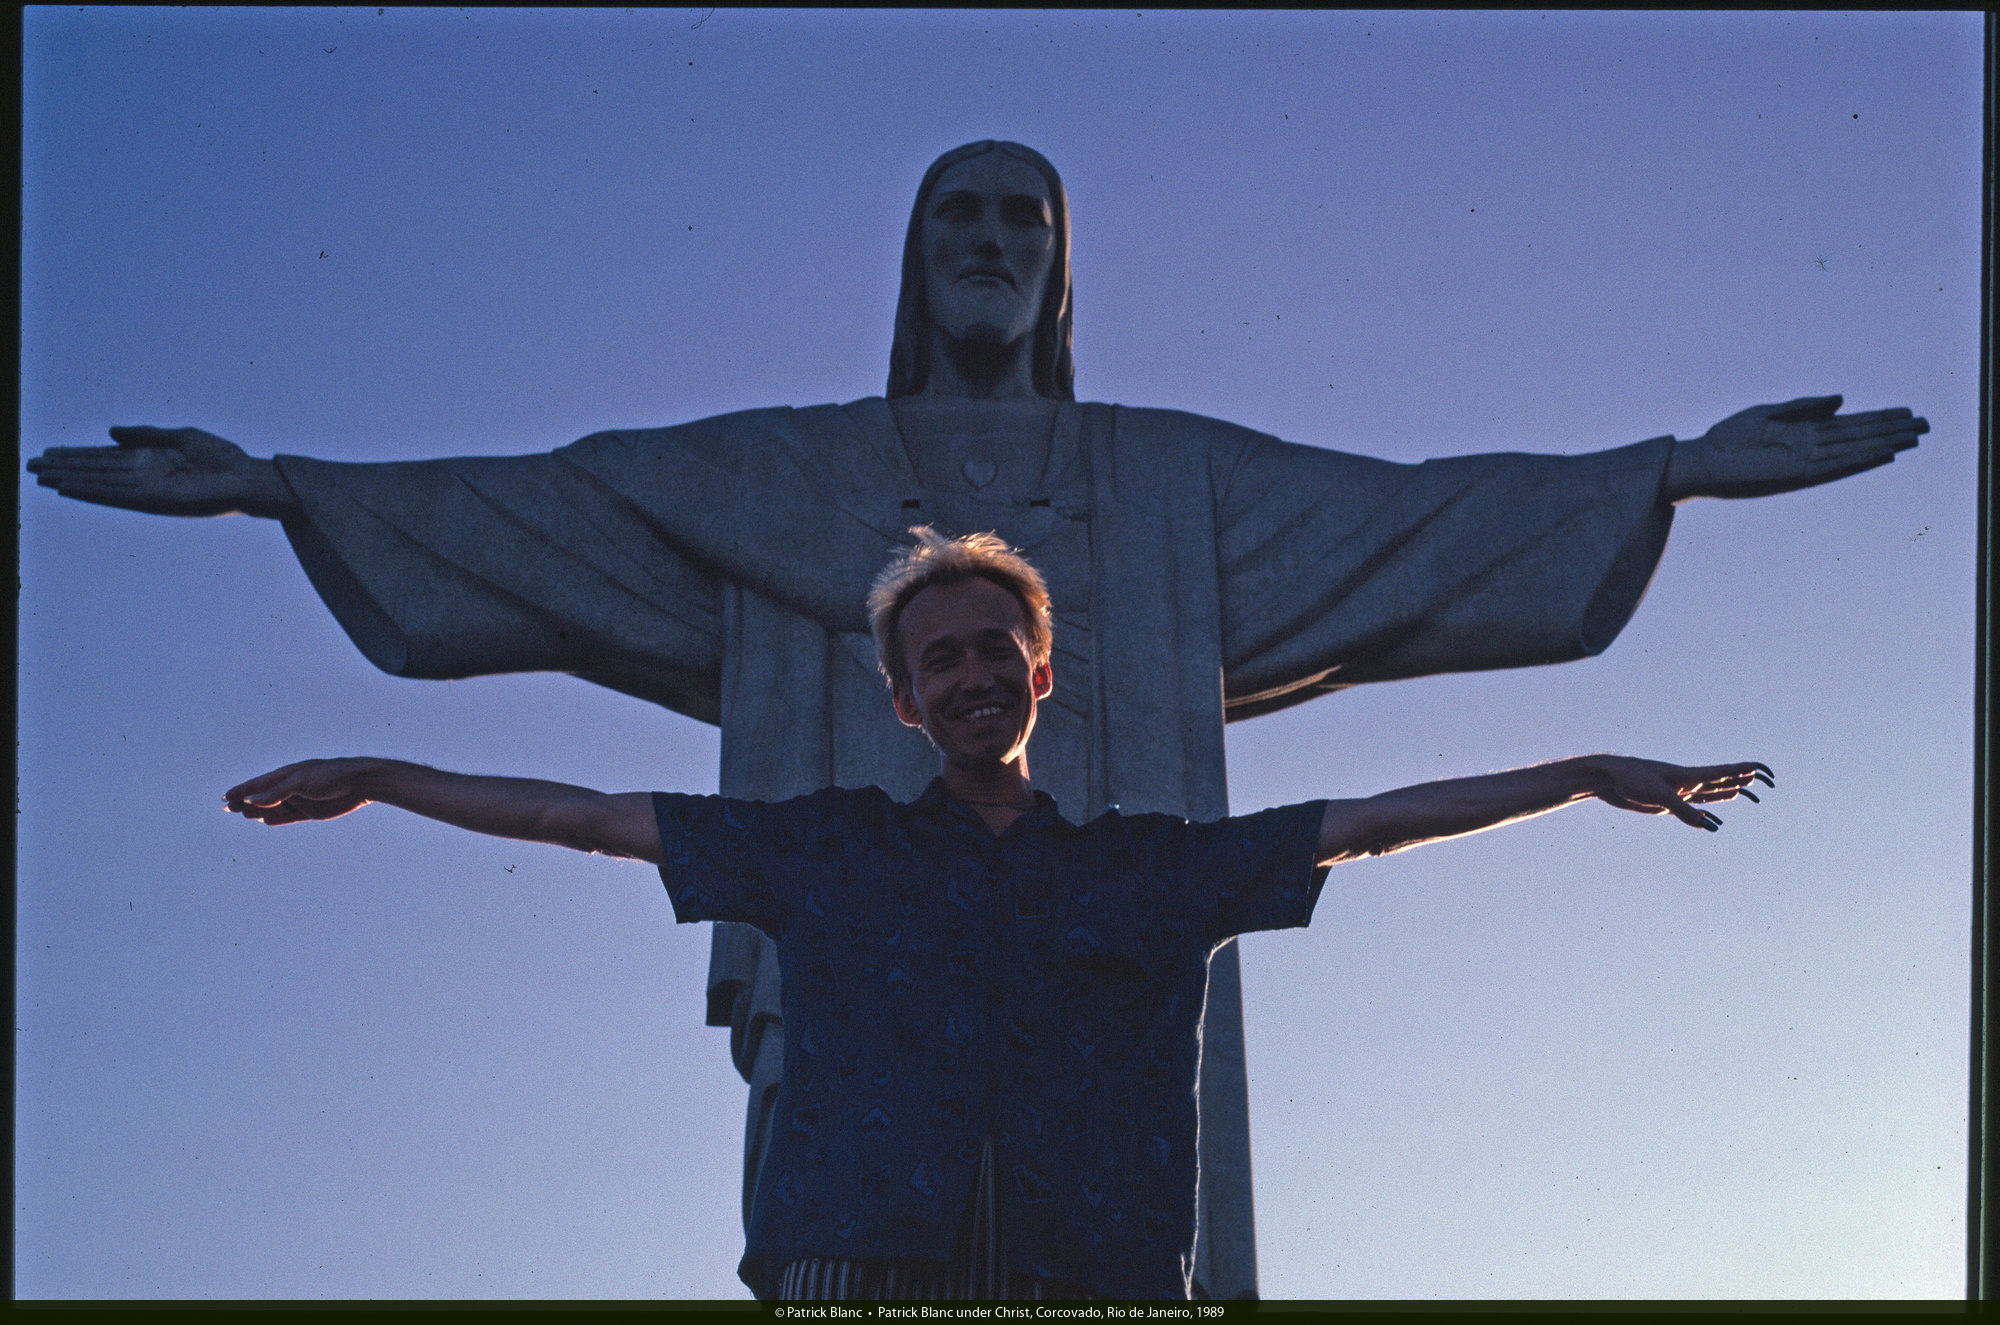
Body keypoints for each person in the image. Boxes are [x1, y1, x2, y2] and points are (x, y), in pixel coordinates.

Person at [32, 140, 1909, 1297]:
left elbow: (1405, 539)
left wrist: (1669, 474)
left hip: (1103, 1215)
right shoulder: (789, 505)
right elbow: (564, 534)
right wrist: (280, 491)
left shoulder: (1169, 495)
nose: (992, 240)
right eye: (959, 212)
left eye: (1025, 215)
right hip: (868, 1209)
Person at [224, 529, 1772, 1302]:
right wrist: (387, 773)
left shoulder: (1151, 868)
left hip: (1095, 1274)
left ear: (1039, 676)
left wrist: (1583, 774)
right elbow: (584, 817)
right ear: (905, 699)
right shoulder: (825, 850)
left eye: (992, 651)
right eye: (938, 659)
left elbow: (1365, 822)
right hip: (852, 1271)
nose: (968, 673)